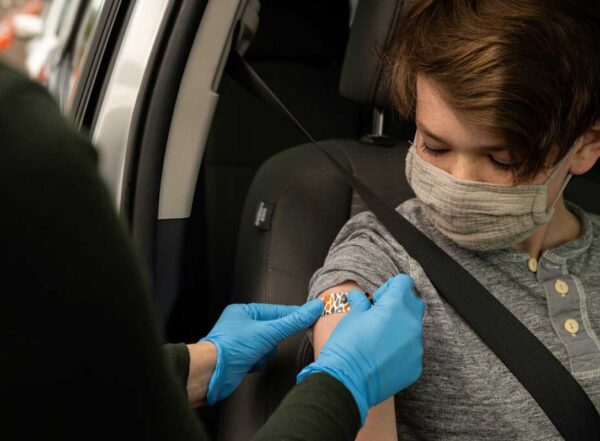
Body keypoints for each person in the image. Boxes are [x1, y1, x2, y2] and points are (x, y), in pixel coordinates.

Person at [0, 58, 425, 440]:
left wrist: (198, 364)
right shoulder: (21, 146)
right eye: (435, 146)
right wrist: (342, 387)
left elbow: (49, 390)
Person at [309, 0, 600, 440]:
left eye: (504, 159)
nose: (459, 180)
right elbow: (344, 333)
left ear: (584, 146)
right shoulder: (380, 257)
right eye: (434, 146)